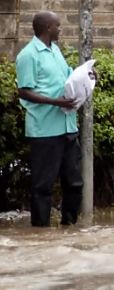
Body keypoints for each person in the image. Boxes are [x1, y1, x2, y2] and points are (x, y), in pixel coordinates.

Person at [15, 11, 82, 227]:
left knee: (74, 183)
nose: (60, 29)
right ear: (47, 29)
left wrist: (86, 78)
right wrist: (56, 102)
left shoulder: (55, 51)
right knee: (42, 187)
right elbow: (24, 91)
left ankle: (69, 227)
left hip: (67, 126)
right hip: (45, 131)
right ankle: (41, 232)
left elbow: (66, 77)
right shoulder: (28, 55)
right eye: (57, 26)